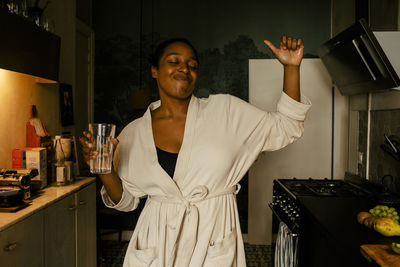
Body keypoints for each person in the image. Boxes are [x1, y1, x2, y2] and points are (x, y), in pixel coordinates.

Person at [80, 35, 311, 267]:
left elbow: (287, 126)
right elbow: (126, 201)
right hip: (156, 242)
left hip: (213, 236)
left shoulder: (225, 111)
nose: (184, 68)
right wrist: (106, 170)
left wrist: (291, 68)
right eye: (174, 61)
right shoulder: (133, 133)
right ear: (154, 71)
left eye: (192, 65)